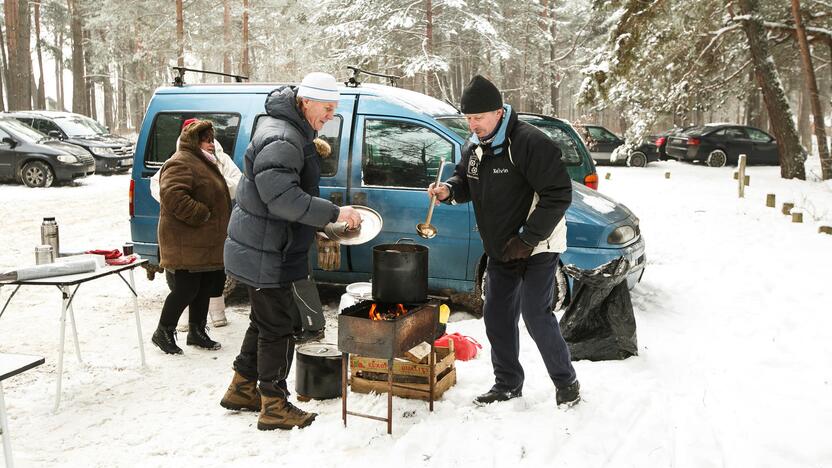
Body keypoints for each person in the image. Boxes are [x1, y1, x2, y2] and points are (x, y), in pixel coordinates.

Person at [427, 75, 581, 408]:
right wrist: (450, 190)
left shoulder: (529, 143)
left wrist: (527, 238)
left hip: (538, 244)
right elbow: (465, 180)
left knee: (536, 314)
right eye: (468, 118)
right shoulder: (474, 146)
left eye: (478, 117)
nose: (473, 124)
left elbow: (559, 194)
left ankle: (566, 382)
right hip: (501, 247)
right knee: (496, 315)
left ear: (498, 112)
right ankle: (508, 382)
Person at [220, 72, 361, 430]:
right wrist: (333, 212)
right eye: (327, 108)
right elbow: (281, 198)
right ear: (306, 101)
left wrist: (320, 221)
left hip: (267, 246)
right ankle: (274, 405)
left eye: (334, 108)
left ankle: (242, 389)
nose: (330, 115)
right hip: (267, 250)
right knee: (279, 326)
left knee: (265, 321)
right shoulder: (283, 137)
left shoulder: (291, 129)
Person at [150, 118, 242, 330]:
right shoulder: (181, 161)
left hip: (203, 241)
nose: (211, 144)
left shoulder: (206, 162)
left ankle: (197, 331)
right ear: (193, 142)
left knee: (203, 288)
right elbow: (172, 195)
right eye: (206, 141)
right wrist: (200, 213)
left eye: (211, 140)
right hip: (187, 241)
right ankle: (163, 332)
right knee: (186, 291)